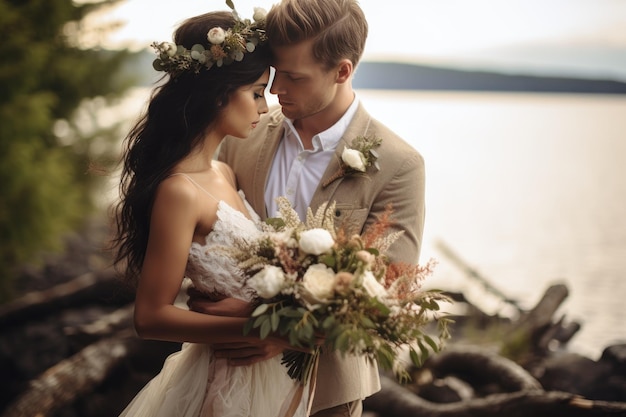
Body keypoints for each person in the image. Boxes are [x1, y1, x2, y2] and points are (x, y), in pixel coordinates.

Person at [188, 0, 427, 416]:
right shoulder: (241, 130)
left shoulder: (399, 165)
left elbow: (390, 290)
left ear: (342, 71)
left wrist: (277, 328)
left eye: (294, 78)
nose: (277, 90)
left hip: (324, 390)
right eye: (275, 75)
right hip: (223, 376)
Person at [112, 6, 313, 417]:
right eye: (257, 92)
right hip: (226, 383)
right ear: (221, 92)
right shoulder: (179, 191)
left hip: (272, 377)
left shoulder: (223, 170)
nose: (264, 106)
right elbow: (150, 317)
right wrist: (265, 327)